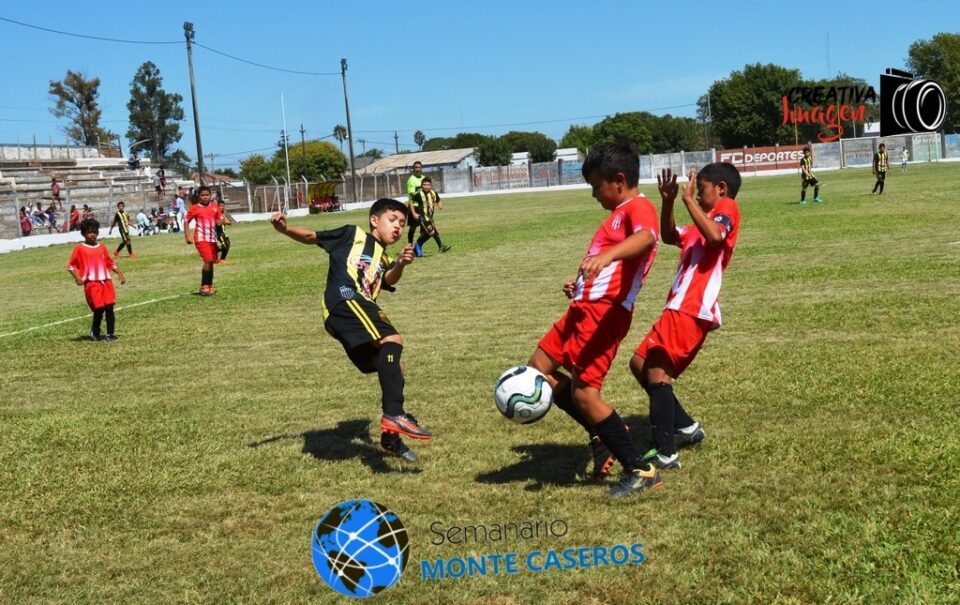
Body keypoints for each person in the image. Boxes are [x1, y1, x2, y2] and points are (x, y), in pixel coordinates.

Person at [522, 142, 663, 498]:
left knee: (585, 393)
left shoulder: (639, 207)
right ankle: (601, 432)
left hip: (605, 314)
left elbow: (647, 238)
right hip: (582, 308)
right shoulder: (616, 214)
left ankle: (641, 469)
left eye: (596, 186)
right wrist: (581, 285)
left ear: (619, 180)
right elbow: (607, 267)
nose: (594, 194)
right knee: (537, 370)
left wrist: (608, 256)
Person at [271, 198, 431, 463]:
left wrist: (400, 264)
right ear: (374, 220)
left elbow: (387, 279)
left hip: (350, 310)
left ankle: (390, 437)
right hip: (346, 299)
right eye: (392, 220)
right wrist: (285, 229)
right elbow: (312, 237)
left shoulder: (383, 256)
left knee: (394, 366)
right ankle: (394, 414)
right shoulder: (352, 234)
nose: (398, 227)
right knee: (393, 339)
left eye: (402, 224)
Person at [629, 164, 742, 471]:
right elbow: (669, 236)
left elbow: (716, 236)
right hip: (678, 306)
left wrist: (688, 200)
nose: (698, 195)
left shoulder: (727, 208)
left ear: (721, 188)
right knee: (640, 364)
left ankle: (666, 454)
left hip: (691, 308)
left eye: (701, 189)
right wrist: (668, 202)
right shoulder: (697, 225)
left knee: (657, 374)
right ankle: (687, 428)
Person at [67, 218, 126, 341]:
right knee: (99, 308)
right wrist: (77, 278)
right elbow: (71, 266)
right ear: (83, 234)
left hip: (106, 281)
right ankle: (95, 331)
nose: (92, 234)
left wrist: (119, 273)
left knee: (109, 307)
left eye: (94, 232)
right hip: (92, 283)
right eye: (89, 232)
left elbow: (109, 262)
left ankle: (110, 334)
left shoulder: (102, 247)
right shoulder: (80, 249)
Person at [184, 186, 223, 295]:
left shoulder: (214, 207)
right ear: (199, 196)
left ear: (210, 195)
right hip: (201, 238)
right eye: (202, 195)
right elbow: (186, 221)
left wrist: (220, 222)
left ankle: (209, 286)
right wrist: (187, 236)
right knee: (208, 259)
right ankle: (204, 286)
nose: (205, 197)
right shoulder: (195, 208)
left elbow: (220, 218)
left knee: (211, 261)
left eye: (207, 195)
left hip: (212, 238)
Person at [409, 177, 451, 256]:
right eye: (424, 185)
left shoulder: (433, 193)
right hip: (423, 217)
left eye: (428, 185)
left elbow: (438, 200)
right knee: (431, 232)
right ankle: (420, 245)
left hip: (430, 217)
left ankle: (418, 247)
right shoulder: (419, 194)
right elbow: (411, 201)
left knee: (427, 233)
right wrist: (414, 213)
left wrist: (440, 205)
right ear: (421, 186)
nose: (426, 186)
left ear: (431, 186)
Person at [405, 161, 426, 246]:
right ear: (413, 169)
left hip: (423, 206)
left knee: (424, 228)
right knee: (413, 228)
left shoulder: (424, 178)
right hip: (414, 206)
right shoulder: (411, 180)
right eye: (416, 167)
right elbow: (412, 194)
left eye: (419, 167)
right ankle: (410, 245)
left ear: (421, 168)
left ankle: (418, 245)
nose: (417, 169)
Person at [215, 199, 232, 264]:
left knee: (228, 244)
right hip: (218, 233)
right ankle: (214, 252)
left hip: (223, 232)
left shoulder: (223, 213)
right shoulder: (216, 214)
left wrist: (225, 222)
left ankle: (222, 259)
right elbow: (218, 223)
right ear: (217, 206)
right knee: (225, 246)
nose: (222, 207)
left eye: (223, 206)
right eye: (220, 206)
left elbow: (229, 222)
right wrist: (225, 222)